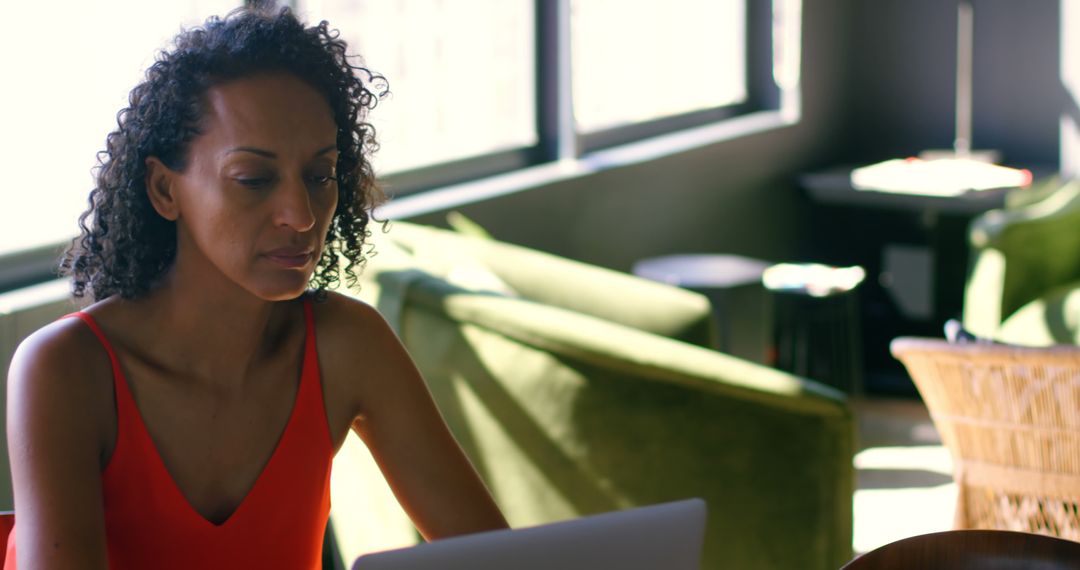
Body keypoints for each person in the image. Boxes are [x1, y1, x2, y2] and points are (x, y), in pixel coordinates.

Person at [5, 6, 507, 569]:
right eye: (254, 179)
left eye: (319, 176)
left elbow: (498, 557)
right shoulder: (65, 370)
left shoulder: (346, 346)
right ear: (164, 190)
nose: (301, 215)